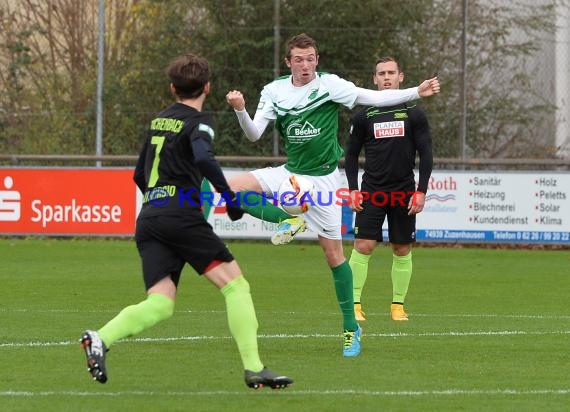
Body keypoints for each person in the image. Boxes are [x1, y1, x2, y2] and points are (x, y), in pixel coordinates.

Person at [79, 54, 293, 390]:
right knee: (236, 286)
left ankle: (99, 338)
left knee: (160, 303)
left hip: (149, 217)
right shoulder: (199, 122)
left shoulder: (156, 122)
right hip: (180, 216)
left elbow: (139, 174)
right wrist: (230, 198)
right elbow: (204, 157)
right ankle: (254, 368)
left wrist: (160, 202)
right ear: (207, 87)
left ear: (172, 88)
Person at [225, 34, 439, 357]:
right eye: (299, 59)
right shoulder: (274, 91)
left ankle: (351, 330)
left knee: (335, 258)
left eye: (310, 58)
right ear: (288, 62)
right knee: (230, 187)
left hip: (323, 180)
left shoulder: (330, 85)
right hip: (291, 172)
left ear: (317, 59)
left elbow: (373, 98)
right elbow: (254, 134)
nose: (306, 64)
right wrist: (240, 110)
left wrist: (415, 92)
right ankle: (289, 219)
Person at [345, 56, 433, 322]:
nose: (386, 77)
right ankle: (355, 305)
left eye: (391, 73)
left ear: (400, 77)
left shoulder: (413, 113)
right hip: (372, 189)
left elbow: (426, 154)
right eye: (381, 73)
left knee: (402, 248)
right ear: (374, 79)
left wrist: (421, 190)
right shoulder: (363, 115)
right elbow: (350, 155)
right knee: (363, 245)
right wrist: (352, 188)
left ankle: (397, 306)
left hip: (404, 190)